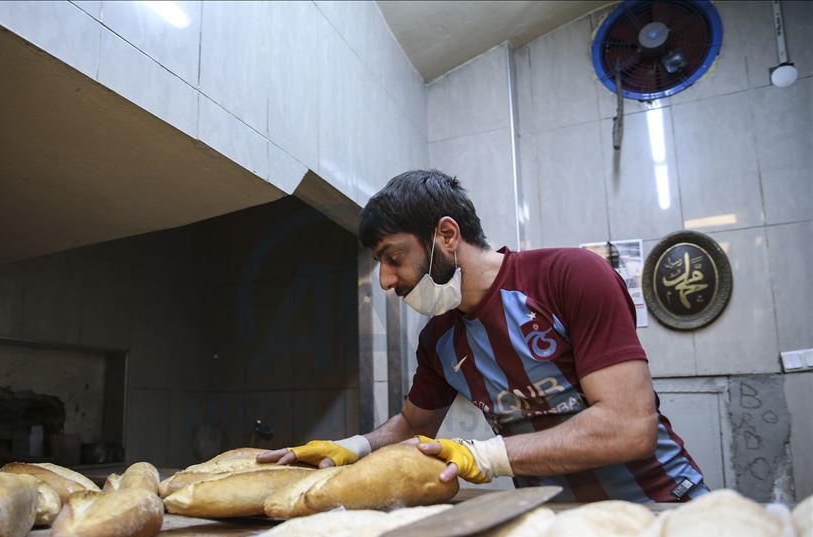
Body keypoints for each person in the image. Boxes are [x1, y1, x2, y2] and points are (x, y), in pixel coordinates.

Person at [258, 169, 706, 502]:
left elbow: (628, 427)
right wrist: (348, 447)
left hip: (661, 504)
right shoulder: (438, 340)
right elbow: (413, 426)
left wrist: (483, 456)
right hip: (553, 520)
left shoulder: (570, 277)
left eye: (393, 258)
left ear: (447, 235)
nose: (386, 281)